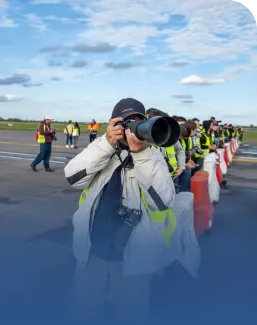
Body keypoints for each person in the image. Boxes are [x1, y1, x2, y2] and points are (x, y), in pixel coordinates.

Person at [65, 98, 176, 324]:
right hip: (92, 250)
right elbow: (72, 177)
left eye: (139, 121)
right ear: (114, 123)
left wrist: (142, 154)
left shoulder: (152, 155)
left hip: (133, 257)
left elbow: (163, 202)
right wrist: (106, 143)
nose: (133, 127)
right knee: (85, 310)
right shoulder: (102, 147)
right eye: (127, 121)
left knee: (131, 313)